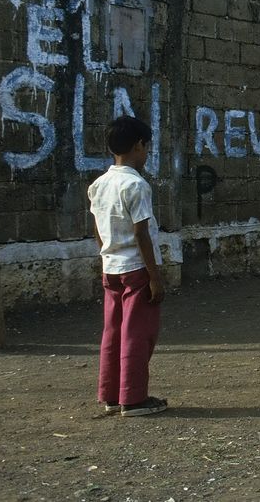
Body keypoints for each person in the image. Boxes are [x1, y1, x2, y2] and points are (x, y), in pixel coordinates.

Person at [88, 115, 168, 417]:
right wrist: (155, 277)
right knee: (138, 333)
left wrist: (105, 255)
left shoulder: (99, 185)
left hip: (111, 268)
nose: (146, 153)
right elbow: (141, 233)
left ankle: (110, 394)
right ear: (138, 146)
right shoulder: (136, 185)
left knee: (113, 332)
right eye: (146, 147)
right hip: (136, 269)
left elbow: (97, 228)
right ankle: (133, 398)